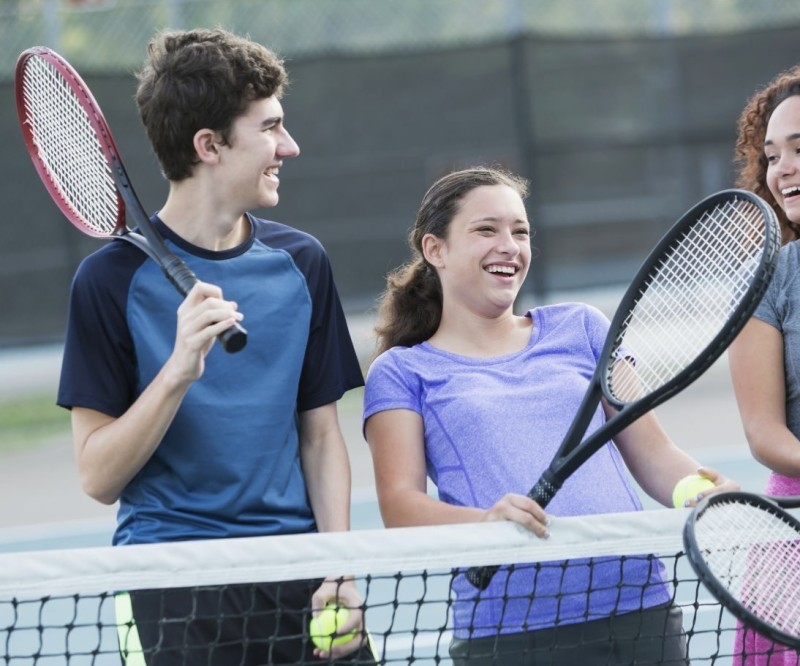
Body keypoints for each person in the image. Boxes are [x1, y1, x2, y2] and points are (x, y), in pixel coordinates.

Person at [56, 28, 374, 665]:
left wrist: (338, 565)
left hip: (297, 573)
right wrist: (178, 371)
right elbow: (98, 476)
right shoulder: (107, 281)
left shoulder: (302, 263)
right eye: (270, 127)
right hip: (171, 582)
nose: (289, 146)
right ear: (209, 145)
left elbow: (320, 437)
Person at [362, 165, 739, 665]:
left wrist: (698, 488)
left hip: (640, 609)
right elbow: (400, 507)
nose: (509, 246)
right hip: (509, 632)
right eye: (486, 230)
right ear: (436, 249)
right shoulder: (401, 372)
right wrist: (485, 521)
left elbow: (654, 453)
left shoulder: (582, 328)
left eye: (520, 232)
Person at [728, 65, 800, 666]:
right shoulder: (768, 279)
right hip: (793, 538)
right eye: (773, 156)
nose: (784, 169)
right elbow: (764, 433)